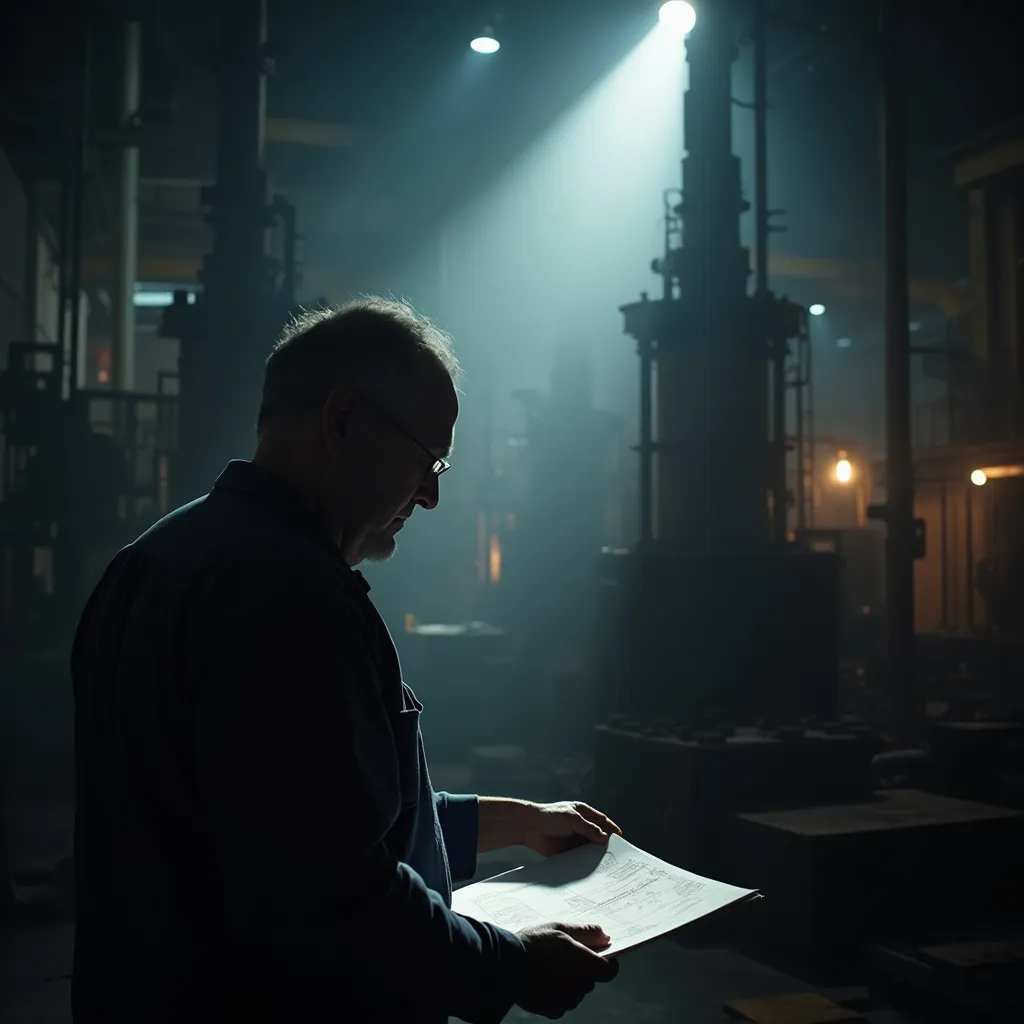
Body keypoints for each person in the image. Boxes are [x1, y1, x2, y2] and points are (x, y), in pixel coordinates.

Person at [71, 297, 620, 1023]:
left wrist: (514, 821)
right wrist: (511, 965)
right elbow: (328, 893)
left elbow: (292, 808)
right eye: (428, 458)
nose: (429, 495)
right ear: (341, 420)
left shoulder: (154, 559)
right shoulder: (288, 600)